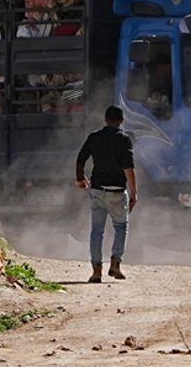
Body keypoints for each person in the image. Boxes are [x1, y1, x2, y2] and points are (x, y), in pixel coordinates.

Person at [75, 105, 138, 283]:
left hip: (96, 191)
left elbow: (80, 159)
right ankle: (115, 264)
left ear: (105, 119)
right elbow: (128, 168)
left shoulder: (94, 137)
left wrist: (81, 179)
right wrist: (134, 192)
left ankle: (96, 271)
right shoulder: (124, 140)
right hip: (117, 192)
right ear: (121, 121)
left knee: (96, 231)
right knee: (120, 227)